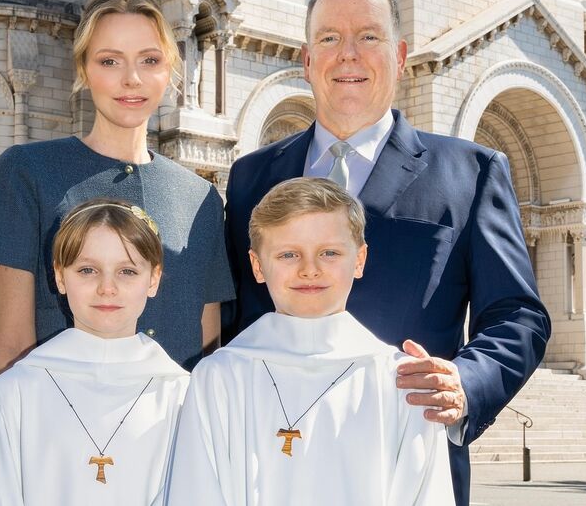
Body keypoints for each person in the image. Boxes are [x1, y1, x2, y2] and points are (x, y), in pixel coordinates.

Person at [224, 0, 551, 505]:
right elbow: (234, 310)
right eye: (329, 38)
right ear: (307, 60)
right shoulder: (251, 177)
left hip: (405, 455)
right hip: (268, 458)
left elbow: (519, 315)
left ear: (399, 56)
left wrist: (466, 381)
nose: (348, 54)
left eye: (368, 37)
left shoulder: (472, 172)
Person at [0, 0, 234, 375]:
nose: (132, 79)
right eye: (110, 61)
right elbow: (11, 349)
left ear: (169, 72)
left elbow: (208, 353)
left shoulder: (201, 199)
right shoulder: (25, 173)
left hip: (176, 430)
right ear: (84, 70)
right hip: (65, 425)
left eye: (150, 60)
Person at [169, 178, 454, 505]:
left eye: (329, 252)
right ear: (258, 266)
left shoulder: (401, 380)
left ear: (359, 260)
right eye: (289, 254)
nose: (309, 270)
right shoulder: (219, 377)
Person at [0, 199, 188, 505]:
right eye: (88, 270)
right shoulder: (15, 392)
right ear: (60, 276)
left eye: (127, 271)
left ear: (152, 279)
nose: (107, 288)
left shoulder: (182, 395)